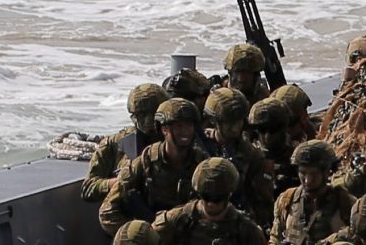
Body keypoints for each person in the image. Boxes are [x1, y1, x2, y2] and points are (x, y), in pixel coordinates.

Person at [104, 96, 206, 228]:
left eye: (189, 125)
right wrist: (139, 234)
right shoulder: (145, 162)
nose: (185, 131)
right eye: (179, 126)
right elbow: (108, 211)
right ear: (164, 130)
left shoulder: (202, 163)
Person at [203, 88, 280, 224]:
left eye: (238, 121)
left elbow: (261, 201)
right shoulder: (201, 146)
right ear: (215, 121)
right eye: (229, 122)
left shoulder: (251, 154)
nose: (235, 127)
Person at [85, 82, 167, 203]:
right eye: (142, 114)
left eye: (153, 114)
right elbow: (88, 188)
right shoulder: (115, 144)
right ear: (133, 116)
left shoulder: (176, 142)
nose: (148, 121)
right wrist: (118, 182)